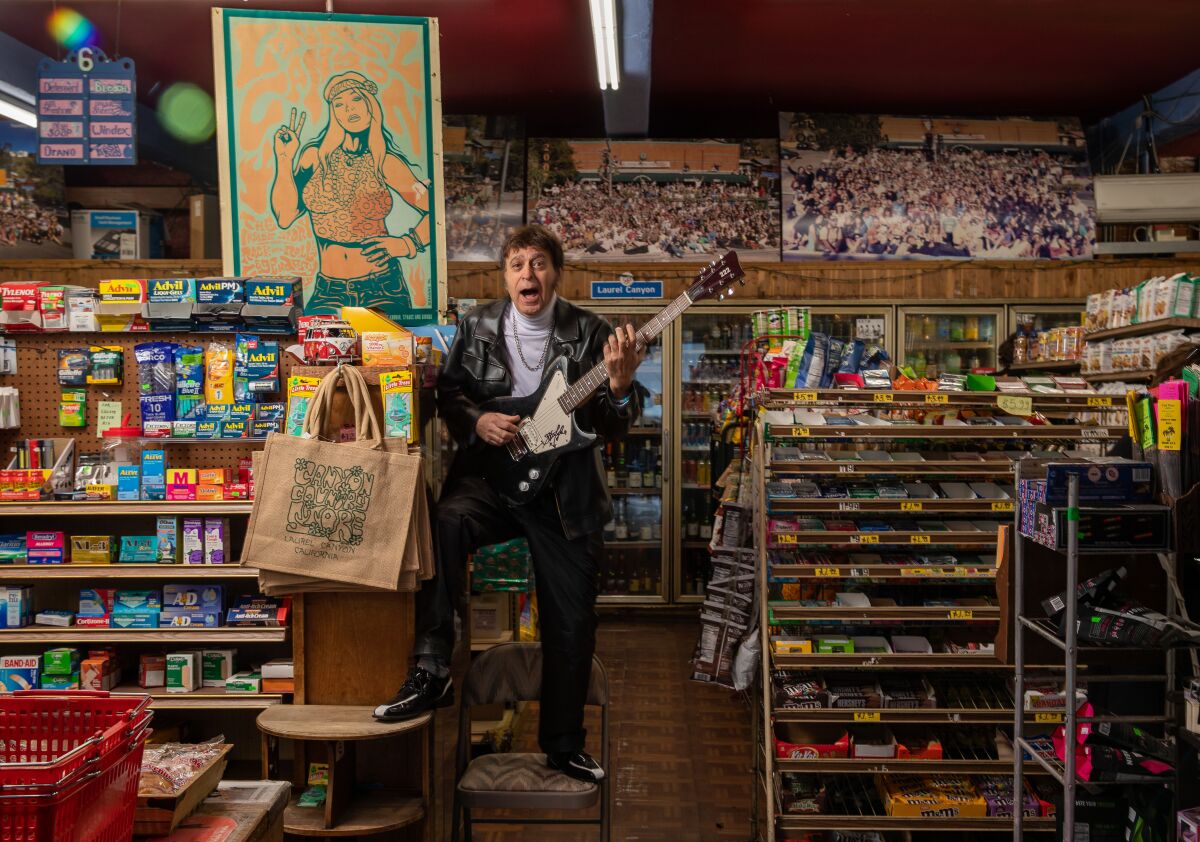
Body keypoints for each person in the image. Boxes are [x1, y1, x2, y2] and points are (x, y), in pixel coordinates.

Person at [373, 224, 643, 784]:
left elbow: (613, 426)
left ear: (555, 273)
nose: (528, 274)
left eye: (539, 263)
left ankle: (564, 742)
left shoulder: (591, 332)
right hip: (493, 477)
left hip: (564, 494)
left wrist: (618, 388)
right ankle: (431, 668)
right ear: (505, 276)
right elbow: (450, 395)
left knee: (571, 621)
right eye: (517, 264)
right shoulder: (475, 328)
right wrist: (478, 419)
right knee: (444, 521)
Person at [270, 71, 430, 312]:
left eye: (356, 99)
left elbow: (436, 215)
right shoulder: (314, 157)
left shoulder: (384, 161)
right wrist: (284, 158)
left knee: (388, 351)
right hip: (328, 289)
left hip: (382, 287)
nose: (349, 109)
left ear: (370, 105)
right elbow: (285, 216)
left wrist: (408, 243)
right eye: (339, 104)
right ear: (333, 112)